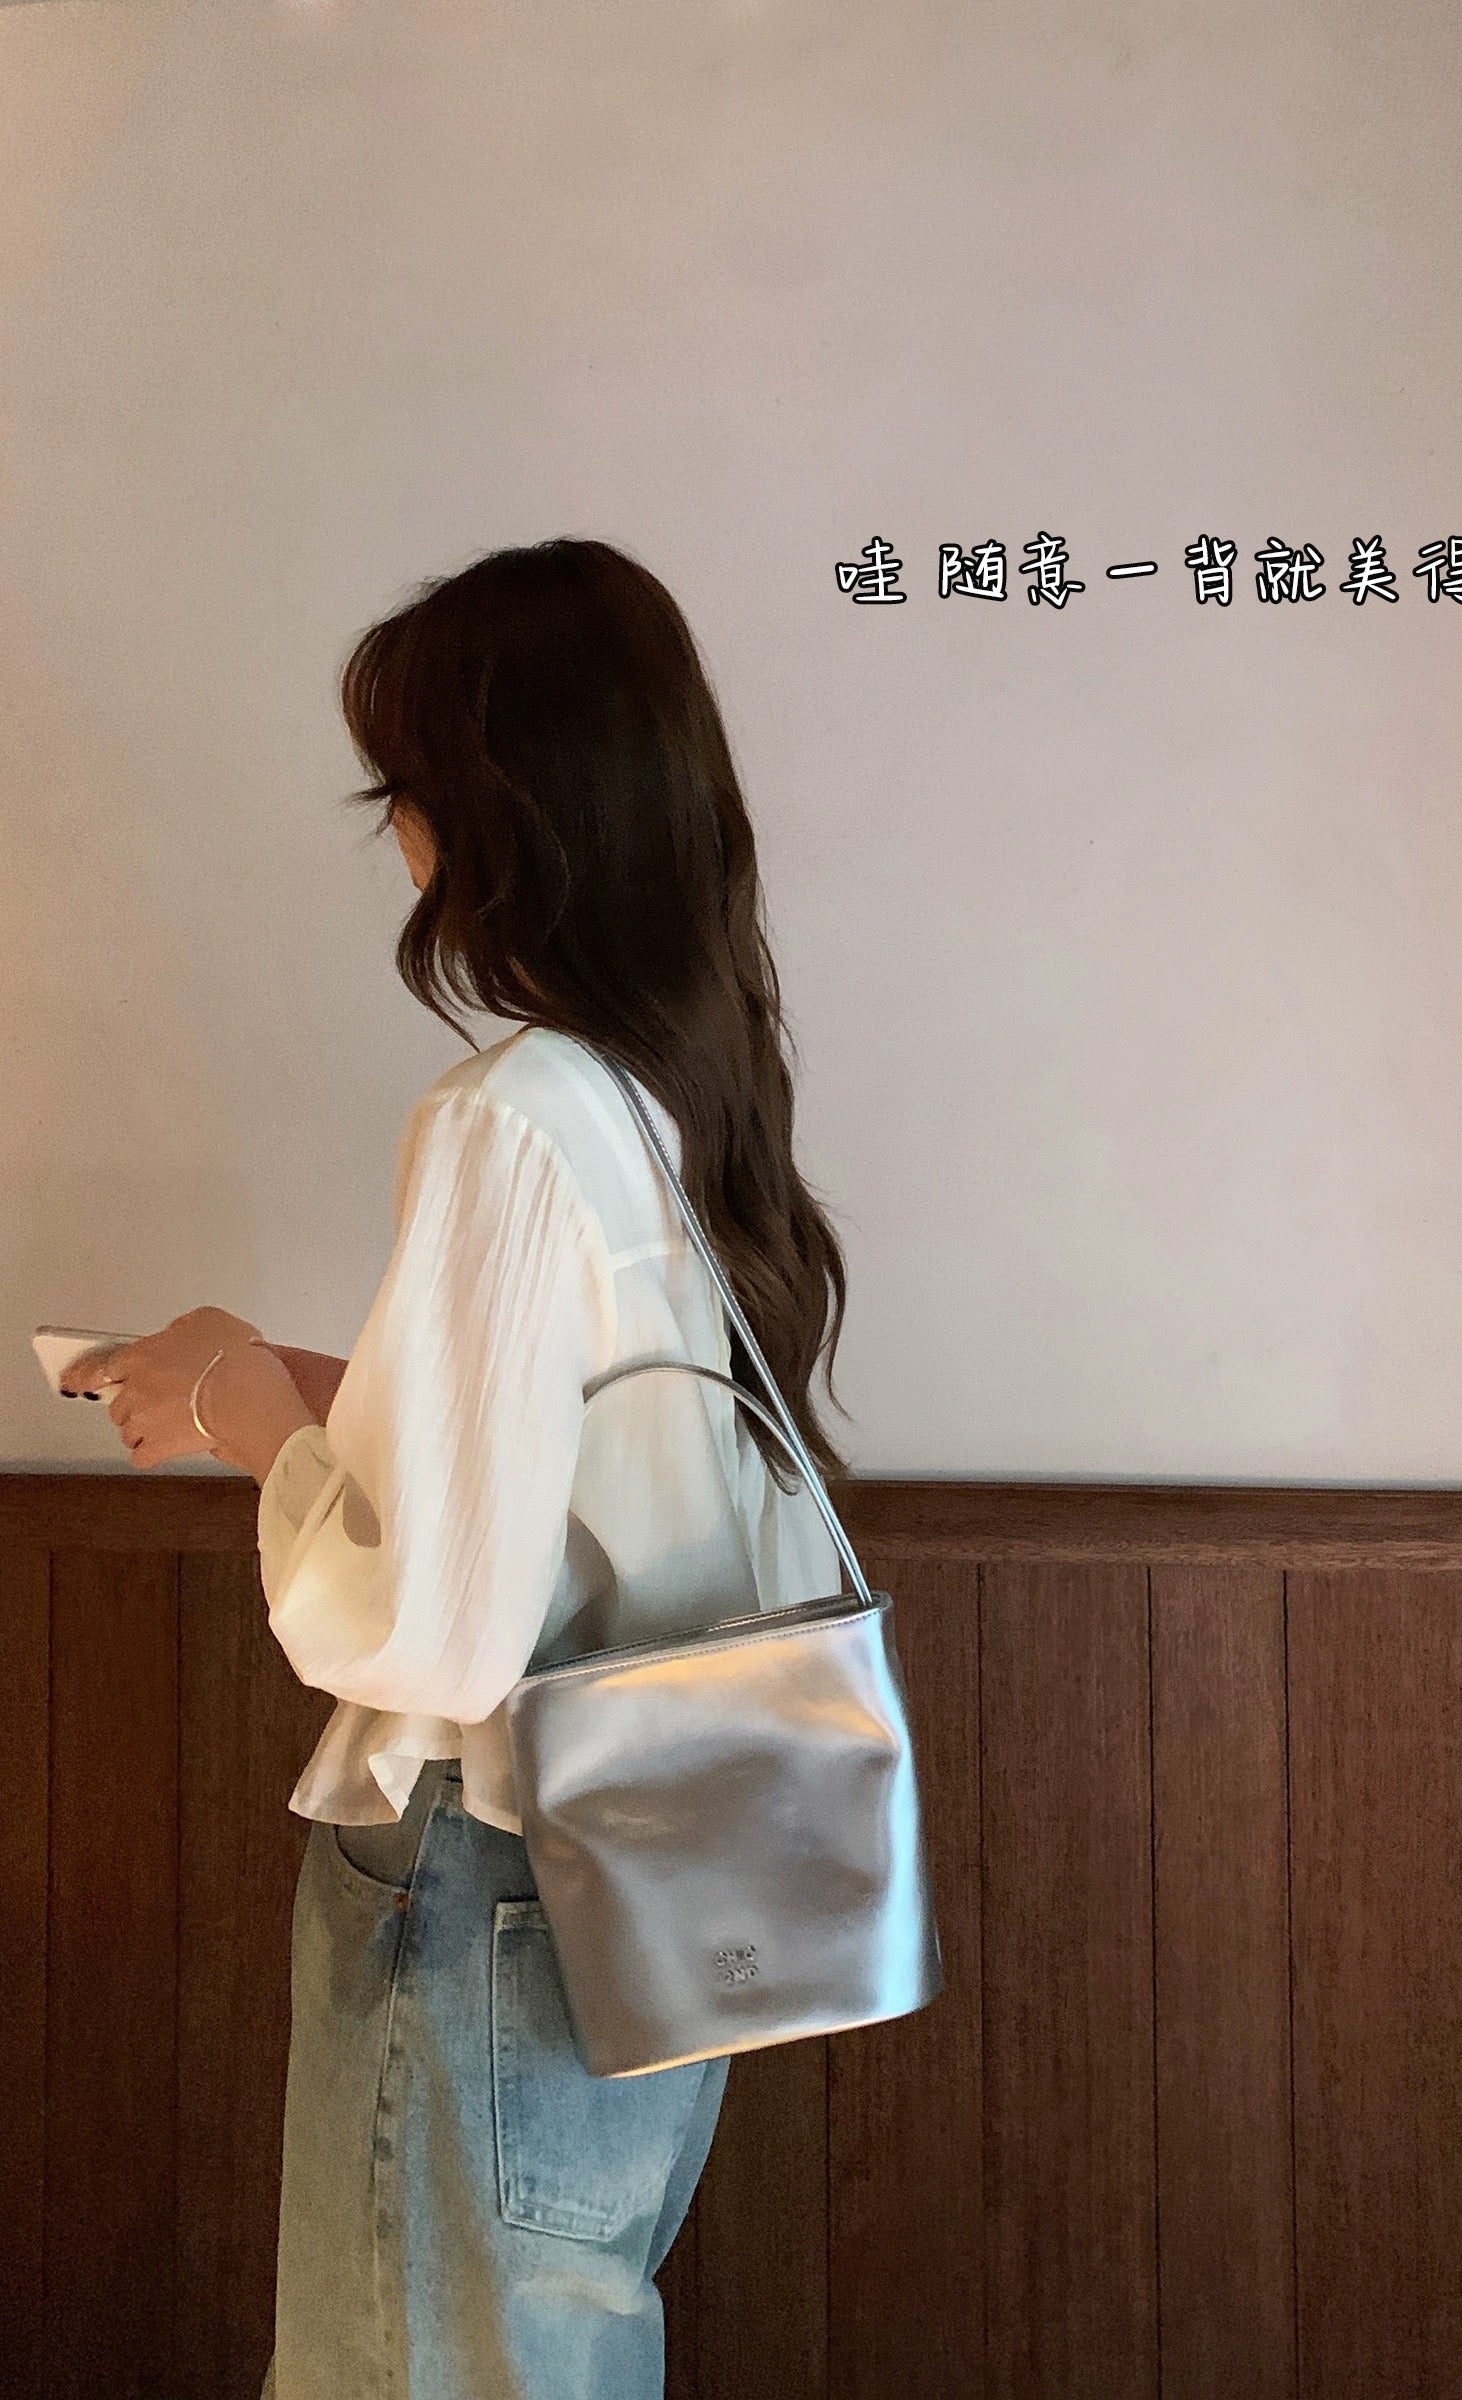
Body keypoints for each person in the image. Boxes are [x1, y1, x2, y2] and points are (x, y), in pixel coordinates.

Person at [65, 537, 855, 2399]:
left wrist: (250, 1408)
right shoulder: (680, 1093)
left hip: (488, 1870)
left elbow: (433, 1633)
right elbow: (578, 1471)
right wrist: (312, 1393)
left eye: (404, 788)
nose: (399, 836)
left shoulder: (512, 1115)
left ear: (497, 815)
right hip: (655, 1869)